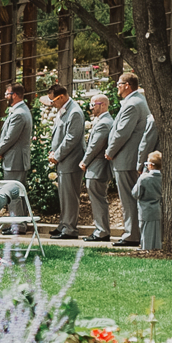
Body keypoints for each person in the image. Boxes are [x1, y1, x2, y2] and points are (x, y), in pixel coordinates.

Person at [106, 73, 152, 247]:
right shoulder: (138, 101)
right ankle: (135, 232)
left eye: (119, 83)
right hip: (130, 158)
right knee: (131, 198)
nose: (117, 86)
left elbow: (122, 132)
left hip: (126, 159)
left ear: (127, 85)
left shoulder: (132, 104)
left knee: (128, 198)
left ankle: (132, 234)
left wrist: (110, 151)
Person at [46, 84, 87, 239]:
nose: (52, 104)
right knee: (64, 195)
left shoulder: (74, 112)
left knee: (70, 196)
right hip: (63, 160)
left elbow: (72, 138)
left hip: (70, 160)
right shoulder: (64, 110)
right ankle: (63, 224)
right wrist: (53, 151)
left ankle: (70, 229)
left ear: (61, 97)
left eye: (53, 101)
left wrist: (57, 155)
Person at [82, 93, 116, 241]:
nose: (91, 108)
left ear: (102, 105)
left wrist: (84, 161)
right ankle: (101, 230)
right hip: (95, 167)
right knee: (97, 199)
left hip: (97, 167)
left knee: (98, 200)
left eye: (92, 105)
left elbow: (95, 146)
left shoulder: (104, 122)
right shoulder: (102, 120)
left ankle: (102, 232)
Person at [0, 83, 34, 218]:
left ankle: (17, 225)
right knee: (18, 192)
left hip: (15, 159)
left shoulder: (19, 113)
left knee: (14, 193)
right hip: (16, 159)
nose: (5, 97)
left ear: (14, 95)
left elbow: (10, 138)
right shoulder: (22, 110)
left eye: (7, 94)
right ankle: (20, 222)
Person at [133, 151, 164, 251]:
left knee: (145, 231)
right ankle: (156, 248)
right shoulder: (163, 178)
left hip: (145, 208)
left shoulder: (144, 178)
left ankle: (145, 248)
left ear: (150, 165)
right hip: (157, 208)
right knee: (156, 231)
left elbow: (135, 193)